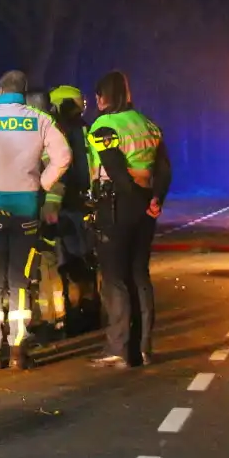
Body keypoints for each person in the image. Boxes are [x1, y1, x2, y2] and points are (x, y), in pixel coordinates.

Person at [0, 70, 71, 370]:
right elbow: (63, 156)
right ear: (24, 91)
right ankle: (18, 350)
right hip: (26, 210)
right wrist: (41, 184)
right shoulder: (40, 120)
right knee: (20, 281)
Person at [87, 71, 172, 368]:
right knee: (139, 274)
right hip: (145, 207)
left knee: (114, 277)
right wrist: (155, 200)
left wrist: (134, 197)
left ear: (102, 97)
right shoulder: (148, 124)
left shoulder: (104, 126)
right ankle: (144, 346)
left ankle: (119, 347)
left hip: (116, 205)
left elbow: (115, 170)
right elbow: (164, 169)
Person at [50, 85, 99, 334]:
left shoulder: (64, 132)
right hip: (82, 203)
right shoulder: (85, 129)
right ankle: (88, 309)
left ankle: (73, 314)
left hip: (66, 204)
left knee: (66, 262)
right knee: (83, 260)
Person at [24, 88, 68, 339]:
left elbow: (57, 176)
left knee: (44, 264)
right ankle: (51, 318)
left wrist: (49, 208)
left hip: (38, 212)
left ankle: (53, 319)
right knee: (41, 265)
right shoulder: (46, 131)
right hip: (32, 210)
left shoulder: (43, 133)